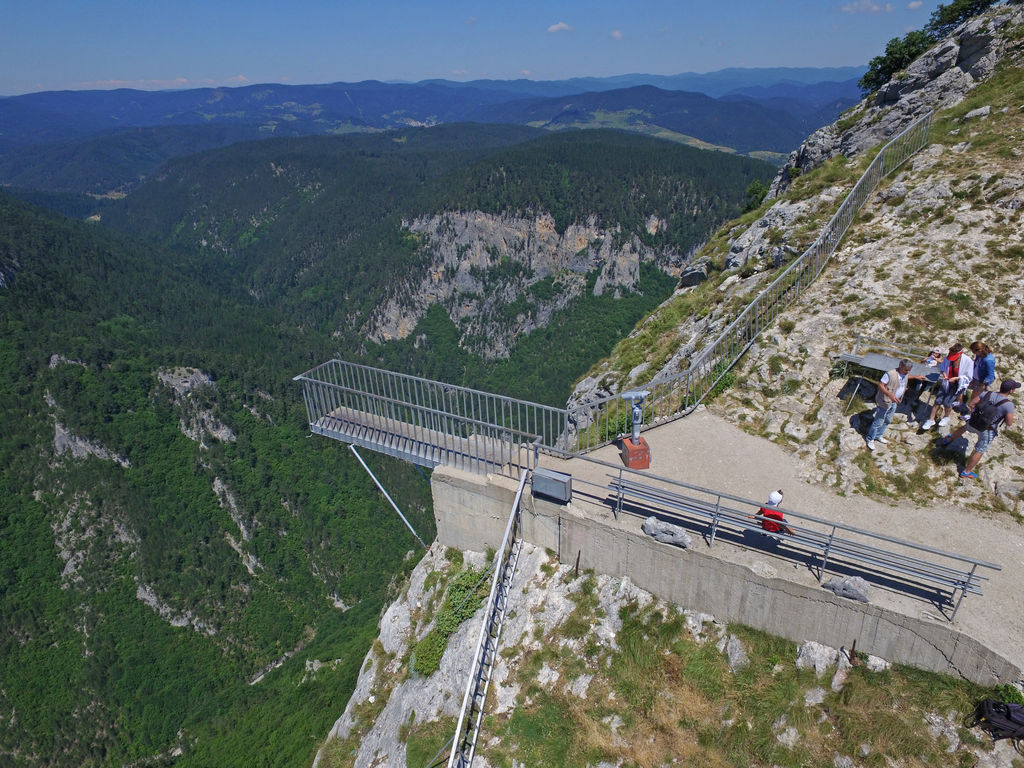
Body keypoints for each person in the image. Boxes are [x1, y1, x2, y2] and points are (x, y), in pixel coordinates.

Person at [939, 379, 1019, 480]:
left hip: (975, 422)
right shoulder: (1009, 405)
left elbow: (971, 404)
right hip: (988, 429)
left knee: (964, 428)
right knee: (980, 450)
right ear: (1011, 391)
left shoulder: (987, 393)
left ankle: (948, 439)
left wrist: (975, 414)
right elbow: (1009, 423)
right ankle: (966, 472)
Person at [865, 359, 923, 451]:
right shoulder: (890, 374)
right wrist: (890, 394)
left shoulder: (905, 373)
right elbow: (881, 385)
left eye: (909, 370)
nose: (907, 372)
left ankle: (878, 436)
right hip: (884, 401)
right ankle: (870, 439)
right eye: (905, 370)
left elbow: (907, 376)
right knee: (878, 421)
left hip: (894, 402)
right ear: (900, 366)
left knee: (888, 420)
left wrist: (916, 377)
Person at [921, 344, 972, 430]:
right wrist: (945, 374)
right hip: (947, 381)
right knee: (938, 400)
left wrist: (956, 378)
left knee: (947, 402)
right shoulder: (949, 357)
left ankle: (946, 417)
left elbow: (969, 377)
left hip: (958, 384)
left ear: (960, 354)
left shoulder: (968, 361)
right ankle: (931, 420)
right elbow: (943, 368)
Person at [966, 341, 996, 411]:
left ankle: (973, 414)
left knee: (974, 398)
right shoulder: (979, 355)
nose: (974, 353)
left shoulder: (988, 360)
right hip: (975, 379)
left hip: (981, 382)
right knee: (972, 395)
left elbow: (990, 375)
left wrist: (983, 384)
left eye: (974, 351)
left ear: (979, 350)